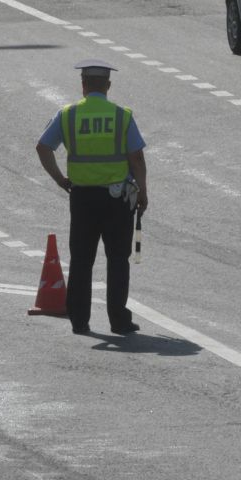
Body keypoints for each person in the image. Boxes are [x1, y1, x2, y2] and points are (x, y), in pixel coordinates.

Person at [35, 59, 149, 336]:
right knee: (118, 259)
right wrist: (143, 191)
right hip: (118, 199)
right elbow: (136, 157)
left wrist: (60, 179)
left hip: (82, 197)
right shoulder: (121, 116)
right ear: (108, 86)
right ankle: (119, 321)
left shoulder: (68, 115)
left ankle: (79, 319)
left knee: (82, 259)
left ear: (83, 85)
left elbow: (43, 147)